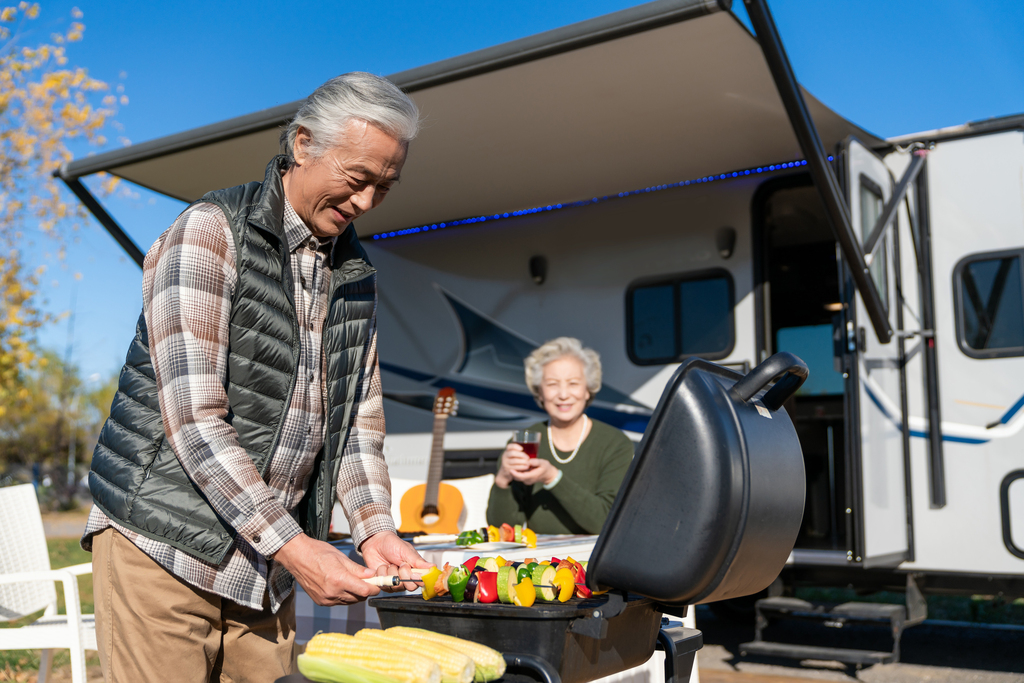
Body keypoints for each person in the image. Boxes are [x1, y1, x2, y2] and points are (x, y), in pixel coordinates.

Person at [80, 72, 432, 682]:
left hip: (265, 570)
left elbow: (355, 426)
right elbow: (193, 420)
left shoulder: (356, 274)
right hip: (164, 547)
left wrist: (375, 531)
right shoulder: (210, 233)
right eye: (357, 179)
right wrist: (297, 550)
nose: (367, 203)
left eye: (385, 186)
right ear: (302, 144)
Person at [486, 337, 634, 534]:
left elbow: (605, 522)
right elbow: (502, 530)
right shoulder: (523, 442)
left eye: (573, 383)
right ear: (540, 393)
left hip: (593, 558)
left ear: (587, 390)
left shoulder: (615, 443)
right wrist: (503, 480)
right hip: (538, 561)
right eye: (553, 384)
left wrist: (552, 477)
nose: (563, 394)